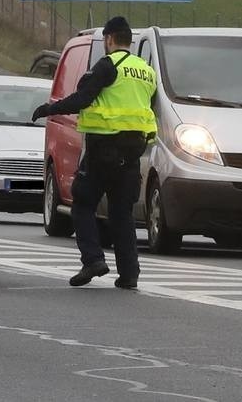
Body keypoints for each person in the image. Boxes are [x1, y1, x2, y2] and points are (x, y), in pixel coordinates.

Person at [32, 17, 157, 289]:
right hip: (133, 153)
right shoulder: (146, 71)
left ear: (110, 39)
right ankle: (129, 274)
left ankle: (93, 260)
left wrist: (49, 109)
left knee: (83, 203)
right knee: (121, 214)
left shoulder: (108, 65)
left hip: (103, 150)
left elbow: (82, 99)